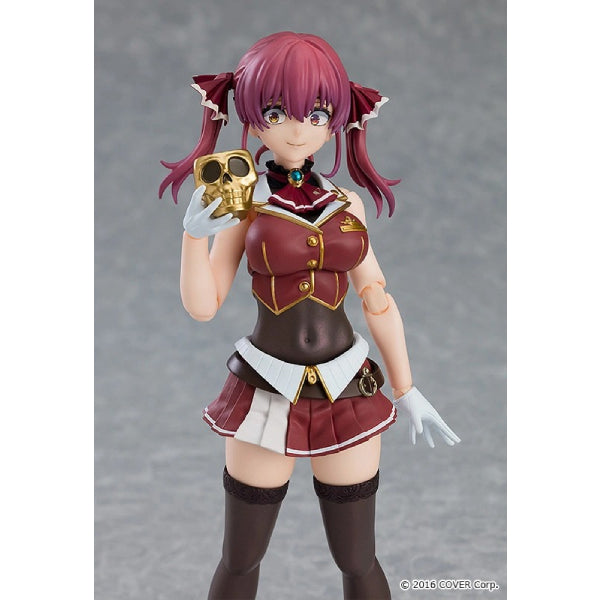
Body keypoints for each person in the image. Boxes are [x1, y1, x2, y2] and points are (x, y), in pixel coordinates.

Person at [159, 31, 460, 600]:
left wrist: (407, 388)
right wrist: (192, 237)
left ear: (335, 120)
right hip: (267, 385)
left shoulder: (346, 204)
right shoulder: (247, 205)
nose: (298, 129)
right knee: (241, 557)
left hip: (346, 384)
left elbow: (377, 297)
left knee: (358, 557)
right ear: (254, 120)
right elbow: (203, 306)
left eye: (316, 114)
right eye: (277, 113)